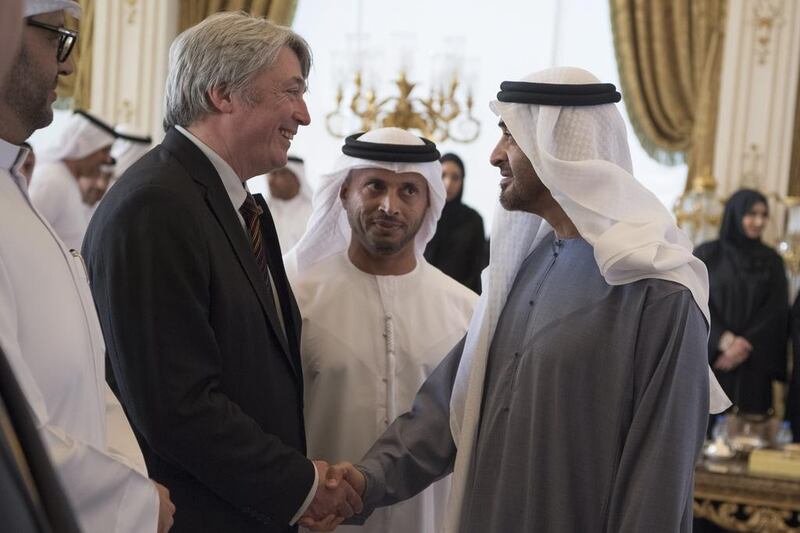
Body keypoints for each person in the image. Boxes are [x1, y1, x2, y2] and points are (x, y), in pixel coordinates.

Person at [309, 67, 731, 533]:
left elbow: (660, 481)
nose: (494, 156)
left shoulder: (657, 290)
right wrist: (369, 480)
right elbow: (452, 402)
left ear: (560, 147)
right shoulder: (525, 268)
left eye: (510, 136)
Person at [83, 12, 360, 533]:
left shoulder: (238, 207)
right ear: (223, 93)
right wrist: (298, 488)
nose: (303, 114)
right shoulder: (155, 207)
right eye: (291, 91)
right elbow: (176, 407)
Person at [0, 1, 174, 531]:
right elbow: (13, 433)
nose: (69, 66)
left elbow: (86, 371)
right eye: (58, 38)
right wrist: (131, 502)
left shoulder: (16, 184)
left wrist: (128, 480)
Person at [286, 128, 477, 533]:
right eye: (374, 186)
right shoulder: (295, 297)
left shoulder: (466, 310)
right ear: (343, 192)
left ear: (429, 204)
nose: (389, 206)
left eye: (409, 190)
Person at [695, 189, 788, 415]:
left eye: (764, 215)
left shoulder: (772, 260)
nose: (759, 221)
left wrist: (742, 345)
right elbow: (696, 299)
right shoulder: (708, 254)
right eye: (752, 213)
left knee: (750, 434)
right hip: (714, 361)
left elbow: (776, 309)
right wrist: (723, 340)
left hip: (753, 362)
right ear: (736, 214)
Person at [29, 109, 116, 250]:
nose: (106, 159)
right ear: (86, 145)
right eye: (105, 150)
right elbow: (27, 236)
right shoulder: (51, 180)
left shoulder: (66, 179)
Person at [424, 153, 488, 293]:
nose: (448, 183)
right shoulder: (423, 215)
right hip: (420, 294)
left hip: (459, 299)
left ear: (462, 181)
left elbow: (476, 268)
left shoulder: (473, 220)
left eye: (455, 177)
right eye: (443, 175)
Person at [261, 155, 313, 253]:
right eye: (271, 174)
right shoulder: (261, 212)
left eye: (279, 174)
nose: (271, 180)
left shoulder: (313, 212)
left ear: (296, 177)